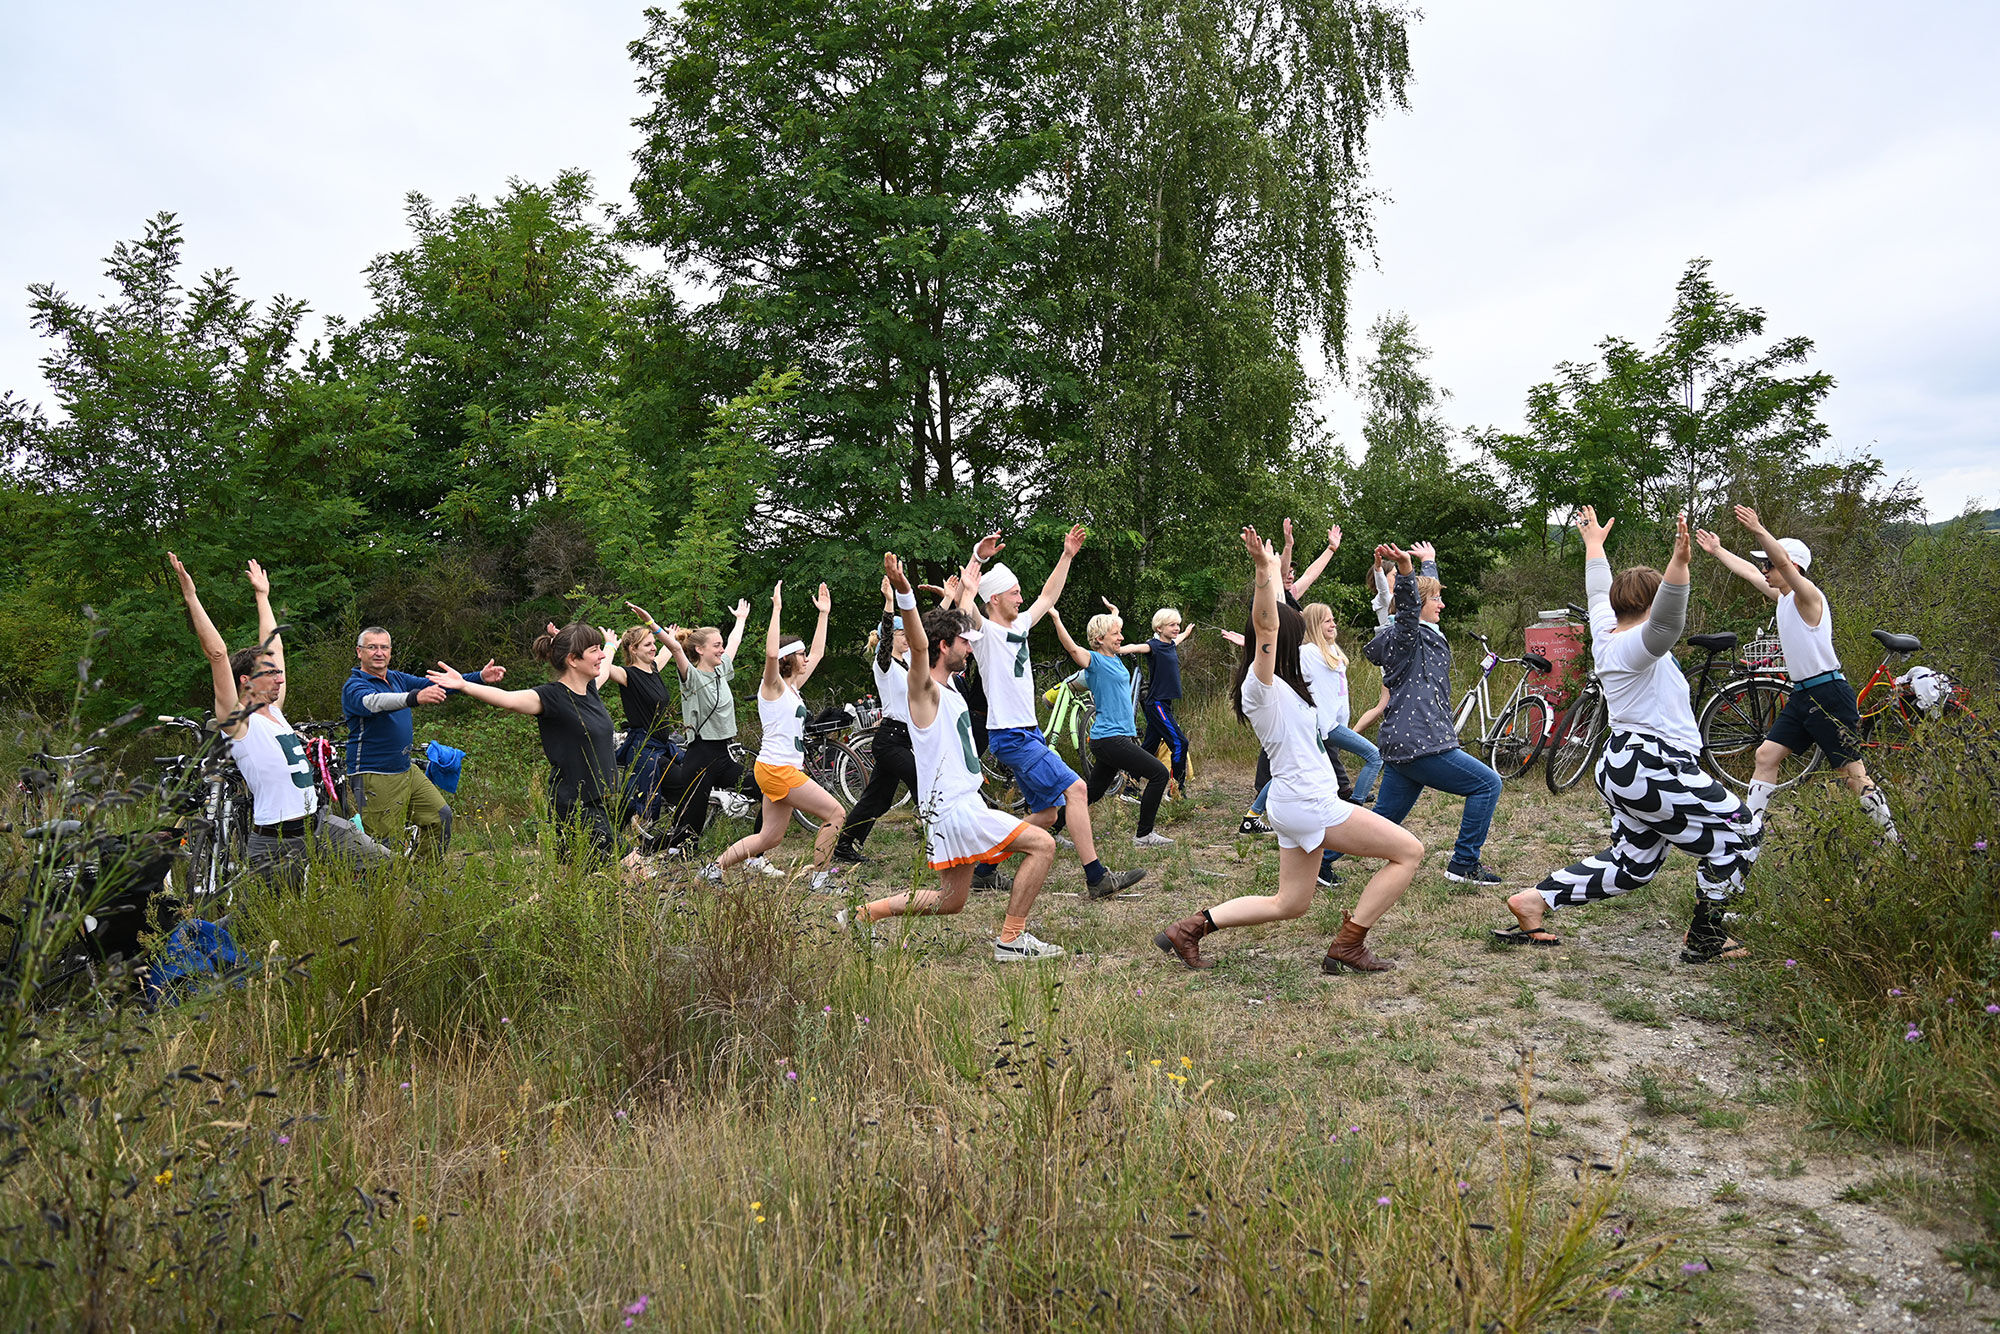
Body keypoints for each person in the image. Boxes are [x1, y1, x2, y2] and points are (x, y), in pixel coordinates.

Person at [1153, 528, 1424, 972]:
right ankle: (1349, 944)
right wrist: (1263, 571)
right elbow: (1267, 622)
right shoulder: (1260, 688)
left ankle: (1189, 929)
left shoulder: (1289, 687)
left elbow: (1278, 612)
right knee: (1408, 851)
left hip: (1293, 799)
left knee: (1290, 902)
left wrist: (1280, 568)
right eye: (1292, 637)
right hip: (1308, 802)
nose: (1297, 643)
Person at [1501, 509, 1760, 963]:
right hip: (1652, 763)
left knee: (1634, 863)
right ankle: (1706, 938)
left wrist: (1595, 547)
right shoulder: (1635, 646)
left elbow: (1597, 590)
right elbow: (1666, 625)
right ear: (1653, 600)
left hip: (1626, 763)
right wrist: (1679, 564)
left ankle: (1534, 901)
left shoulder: (1606, 631)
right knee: (1741, 833)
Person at [843, 554, 1064, 961]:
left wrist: (968, 582)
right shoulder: (923, 690)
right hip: (953, 809)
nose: (970, 646)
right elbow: (921, 641)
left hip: (953, 806)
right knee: (1043, 844)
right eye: (964, 642)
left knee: (950, 901)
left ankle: (861, 914)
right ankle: (1012, 940)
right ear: (944, 647)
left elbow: (952, 625)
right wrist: (905, 595)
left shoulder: (953, 689)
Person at [169, 554, 391, 890]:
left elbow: (276, 647)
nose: (279, 677)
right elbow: (217, 654)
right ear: (245, 681)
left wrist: (262, 596)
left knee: (386, 865)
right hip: (276, 842)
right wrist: (191, 597)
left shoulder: (275, 711)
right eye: (270, 673)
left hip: (319, 827)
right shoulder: (237, 720)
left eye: (278, 673)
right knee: (259, 925)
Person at [954, 527, 1146, 898]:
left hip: (1027, 732)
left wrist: (1068, 555)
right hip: (1011, 735)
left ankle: (984, 870)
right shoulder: (987, 633)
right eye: (1014, 593)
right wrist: (976, 563)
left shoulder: (1020, 625)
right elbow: (966, 613)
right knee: (1076, 789)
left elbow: (1047, 595)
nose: (1021, 597)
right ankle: (1096, 877)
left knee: (1048, 815)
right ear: (994, 599)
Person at [1697, 507, 1899, 842]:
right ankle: (1750, 834)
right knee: (1766, 755)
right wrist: (1718, 550)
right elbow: (1748, 572)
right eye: (1765, 564)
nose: (1764, 569)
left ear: (1793, 567)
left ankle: (1895, 842)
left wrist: (1760, 529)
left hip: (1829, 694)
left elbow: (1786, 566)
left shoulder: (1808, 597)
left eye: (1770, 564)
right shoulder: (1783, 599)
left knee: (1852, 775)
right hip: (1803, 694)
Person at [426, 623, 642, 870]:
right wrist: (465, 684)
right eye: (594, 650)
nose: (601, 656)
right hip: (574, 805)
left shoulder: (590, 689)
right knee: (636, 870)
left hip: (597, 802)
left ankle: (541, 905)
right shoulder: (551, 697)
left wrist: (611, 645)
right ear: (573, 659)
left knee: (575, 880)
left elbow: (605, 663)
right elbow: (507, 700)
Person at [1354, 540, 1506, 884]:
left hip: (1405, 743)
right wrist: (1406, 571)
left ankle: (1323, 859)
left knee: (1382, 821)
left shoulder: (1423, 631)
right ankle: (1464, 863)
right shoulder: (1407, 635)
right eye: (1435, 599)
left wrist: (1429, 563)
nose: (1442, 603)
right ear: (1418, 605)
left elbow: (1420, 599)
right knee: (1487, 784)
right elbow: (1409, 606)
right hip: (1420, 741)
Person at [695, 582, 849, 889]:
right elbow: (770, 653)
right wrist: (776, 610)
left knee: (770, 837)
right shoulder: (773, 686)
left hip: (777, 769)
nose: (807, 658)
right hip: (778, 770)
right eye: (801, 654)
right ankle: (820, 879)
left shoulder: (793, 688)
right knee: (835, 812)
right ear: (788, 659)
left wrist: (824, 615)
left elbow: (818, 652)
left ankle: (712, 869)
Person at [343, 627, 505, 856]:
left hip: (405, 770)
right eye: (372, 647)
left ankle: (422, 879)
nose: (379, 653)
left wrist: (478, 677)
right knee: (383, 844)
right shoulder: (355, 685)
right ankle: (386, 891)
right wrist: (414, 698)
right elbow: (374, 702)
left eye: (384, 647)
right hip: (374, 773)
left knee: (440, 817)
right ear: (359, 652)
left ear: (390, 651)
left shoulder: (396, 678)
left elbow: (434, 685)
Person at [1047, 605, 1173, 847]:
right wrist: (1056, 618)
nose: (1121, 638)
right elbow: (1072, 648)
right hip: (1108, 739)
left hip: (1115, 738)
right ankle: (1144, 835)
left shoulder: (1114, 658)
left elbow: (1113, 629)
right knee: (1158, 774)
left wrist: (1115, 615)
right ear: (1099, 639)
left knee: (1092, 792)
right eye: (1116, 634)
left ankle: (1052, 829)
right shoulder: (1093, 661)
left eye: (1120, 633)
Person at [655, 599, 762, 860]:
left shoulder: (721, 670)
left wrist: (740, 619)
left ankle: (758, 854)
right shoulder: (691, 677)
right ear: (700, 650)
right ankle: (644, 850)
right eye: (717, 646)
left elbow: (734, 644)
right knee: (689, 831)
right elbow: (675, 649)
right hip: (700, 757)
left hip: (722, 758)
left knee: (766, 791)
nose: (722, 649)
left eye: (721, 645)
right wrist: (652, 624)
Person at [833, 578, 920, 864]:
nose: (906, 637)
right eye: (900, 634)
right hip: (891, 739)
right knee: (923, 782)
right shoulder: (884, 665)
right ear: (888, 637)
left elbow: (925, 635)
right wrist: (889, 601)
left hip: (905, 737)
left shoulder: (908, 664)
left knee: (878, 799)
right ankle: (942, 841)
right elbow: (884, 646)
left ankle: (843, 845)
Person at [607, 603, 681, 827]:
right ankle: (632, 838)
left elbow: (671, 649)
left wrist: (670, 635)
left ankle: (642, 833)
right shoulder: (626, 675)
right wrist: (566, 642)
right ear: (633, 649)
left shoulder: (654, 668)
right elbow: (600, 667)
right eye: (648, 645)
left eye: (653, 644)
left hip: (662, 745)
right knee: (641, 799)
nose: (653, 648)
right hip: (643, 747)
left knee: (684, 779)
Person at [1137, 606, 1197, 796]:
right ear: (1159, 628)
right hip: (1156, 703)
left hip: (1165, 704)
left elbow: (1177, 640)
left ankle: (1130, 785)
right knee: (1180, 743)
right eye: (1172, 625)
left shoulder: (1169, 644)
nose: (1176, 628)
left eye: (1178, 624)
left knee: (1149, 746)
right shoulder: (1152, 646)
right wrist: (1116, 649)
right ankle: (1176, 790)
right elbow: (1136, 647)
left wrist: (1186, 633)